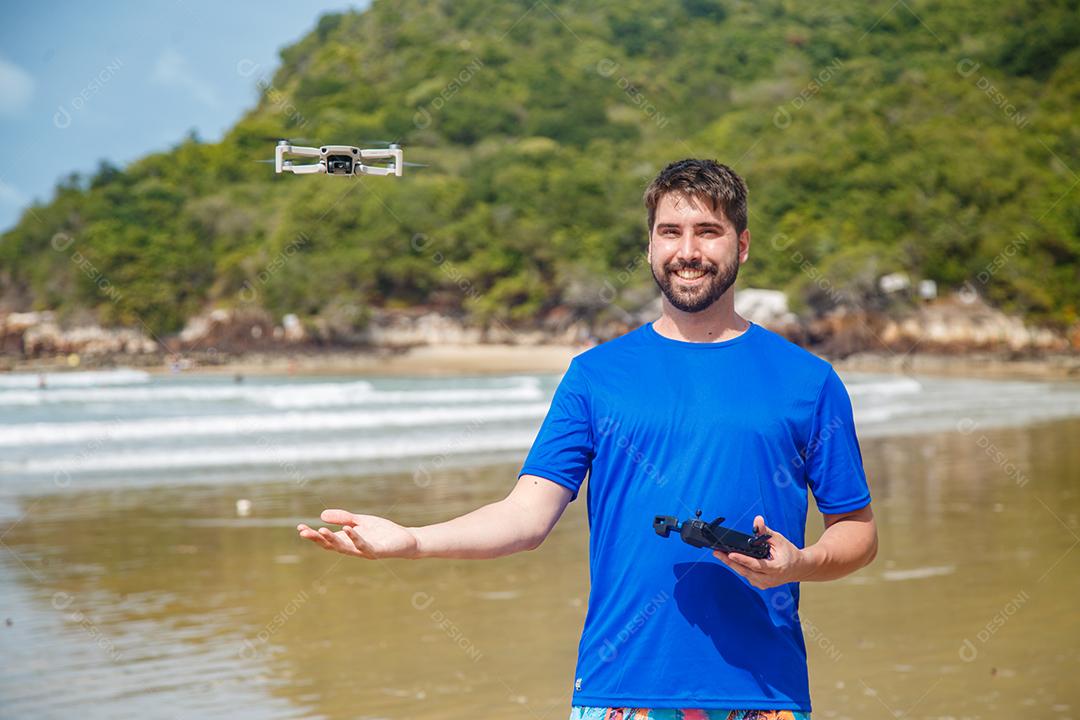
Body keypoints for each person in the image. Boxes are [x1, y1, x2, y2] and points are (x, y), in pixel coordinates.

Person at [297, 159, 878, 719]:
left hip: (764, 692)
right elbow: (526, 517)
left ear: (742, 245)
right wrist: (414, 542)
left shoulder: (807, 381)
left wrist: (801, 562)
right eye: (670, 232)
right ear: (650, 245)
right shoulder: (596, 376)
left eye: (708, 231)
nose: (688, 251)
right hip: (619, 689)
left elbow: (857, 531)